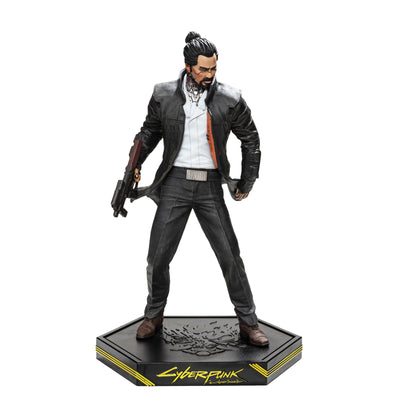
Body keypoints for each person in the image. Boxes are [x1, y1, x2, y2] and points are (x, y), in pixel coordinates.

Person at [125, 32, 268, 346]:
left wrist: (247, 180)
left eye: (214, 68)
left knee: (230, 256)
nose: (210, 74)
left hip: (210, 187)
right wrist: (134, 165)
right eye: (203, 69)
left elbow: (251, 139)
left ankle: (248, 322)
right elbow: (149, 132)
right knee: (157, 257)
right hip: (174, 183)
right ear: (188, 66)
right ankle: (153, 315)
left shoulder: (229, 98)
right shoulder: (163, 95)